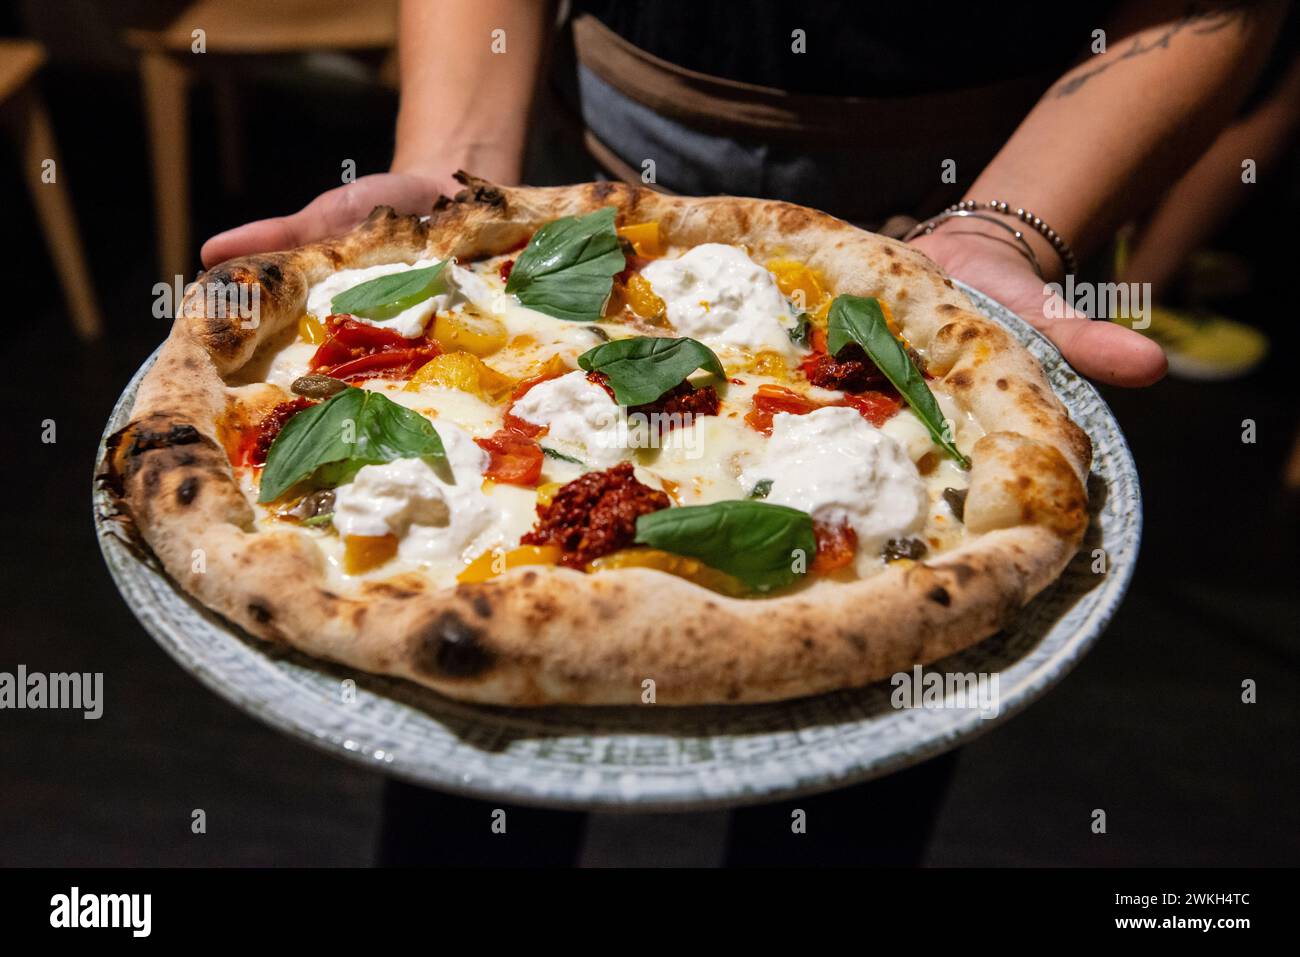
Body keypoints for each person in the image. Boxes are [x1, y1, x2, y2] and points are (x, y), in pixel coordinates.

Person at [201, 1, 1288, 865]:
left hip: (1009, 187)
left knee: (857, 784)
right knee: (458, 765)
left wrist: (1002, 230)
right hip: (575, 185)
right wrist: (451, 169)